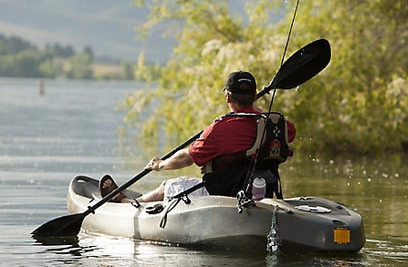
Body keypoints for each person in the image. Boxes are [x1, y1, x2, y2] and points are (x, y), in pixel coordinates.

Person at [100, 71, 295, 204]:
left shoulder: (219, 129)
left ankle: (127, 203)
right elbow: (291, 133)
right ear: (254, 96)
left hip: (221, 196)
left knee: (168, 185)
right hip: (260, 192)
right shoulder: (277, 125)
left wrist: (160, 165)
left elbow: (188, 157)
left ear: (228, 97)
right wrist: (256, 111)